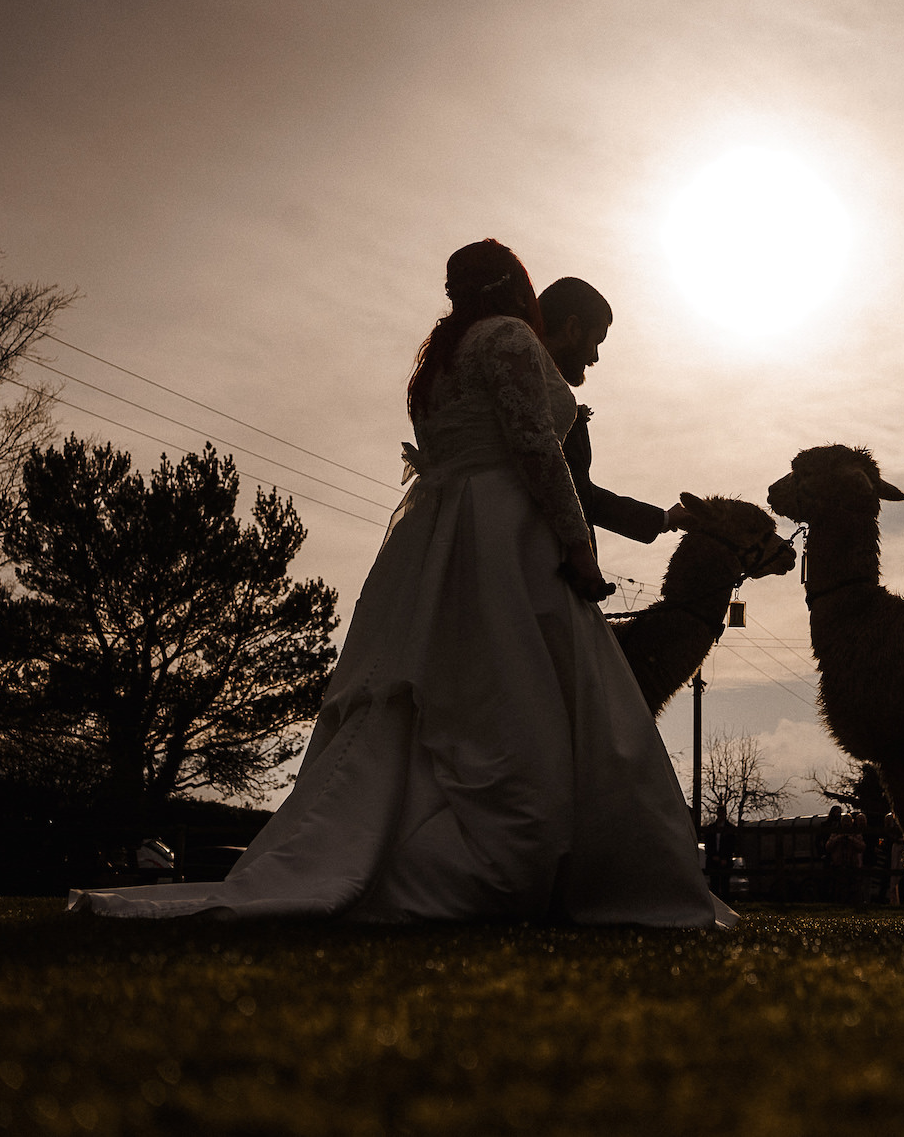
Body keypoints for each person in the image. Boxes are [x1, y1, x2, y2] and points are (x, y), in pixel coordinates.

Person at [68, 240, 731, 928]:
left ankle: (403, 844)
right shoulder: (506, 339)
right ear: (523, 291)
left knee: (441, 705)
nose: (592, 354)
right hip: (505, 543)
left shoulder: (439, 361)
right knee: (517, 699)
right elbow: (537, 449)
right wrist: (577, 550)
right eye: (590, 338)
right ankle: (511, 865)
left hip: (440, 543)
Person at [537, 277, 692, 560]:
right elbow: (579, 495)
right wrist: (663, 519)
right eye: (595, 341)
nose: (594, 357)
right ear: (572, 329)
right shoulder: (542, 397)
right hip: (544, 557)